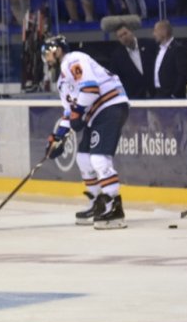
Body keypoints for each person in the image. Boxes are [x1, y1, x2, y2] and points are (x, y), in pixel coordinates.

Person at [41, 35, 130, 229]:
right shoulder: (62, 82)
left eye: (47, 53)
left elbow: (91, 89)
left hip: (110, 105)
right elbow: (69, 112)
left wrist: (78, 112)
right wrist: (57, 137)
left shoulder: (73, 59)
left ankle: (114, 207)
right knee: (83, 157)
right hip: (96, 113)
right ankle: (97, 203)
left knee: (99, 159)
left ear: (57, 50)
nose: (46, 59)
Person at [105, 18, 156, 99]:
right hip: (135, 97)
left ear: (131, 31)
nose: (124, 37)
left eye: (125, 33)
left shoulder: (149, 44)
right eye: (120, 36)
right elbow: (116, 79)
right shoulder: (117, 56)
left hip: (156, 93)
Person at [152, 19, 186, 98]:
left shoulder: (177, 48)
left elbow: (181, 74)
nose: (153, 34)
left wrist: (174, 94)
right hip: (159, 93)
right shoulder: (158, 49)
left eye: (155, 31)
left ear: (164, 32)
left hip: (171, 95)